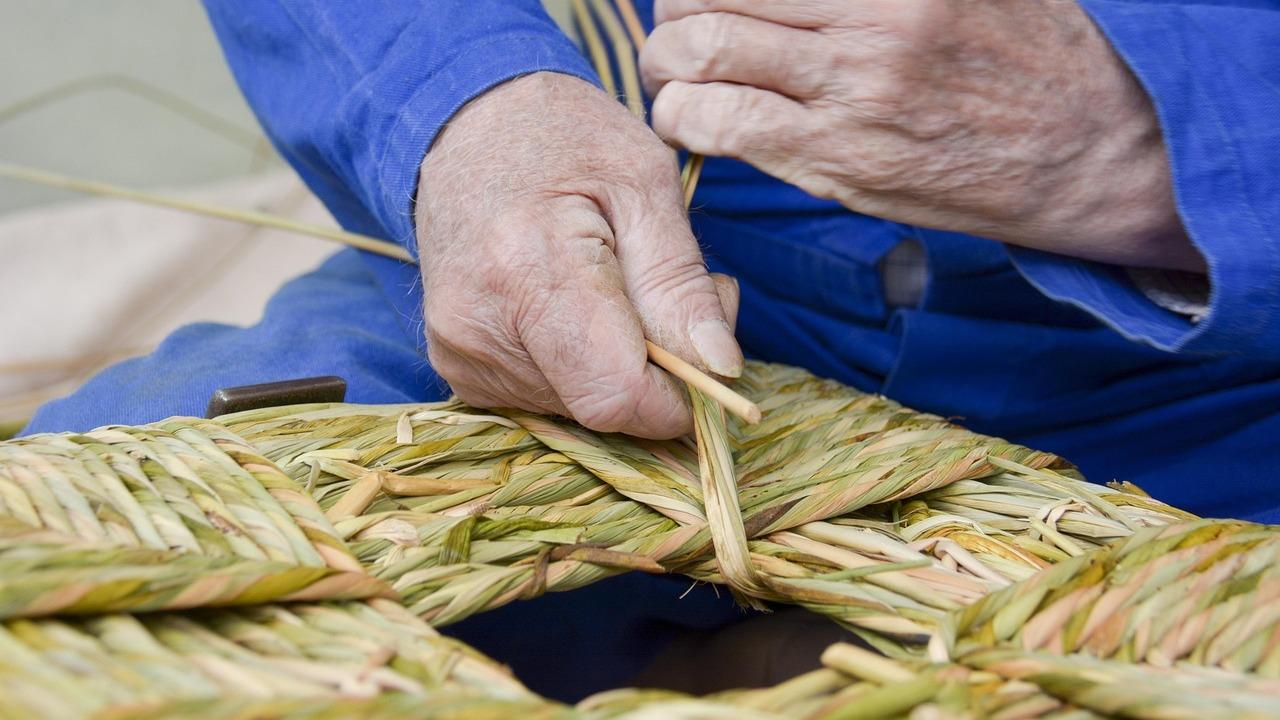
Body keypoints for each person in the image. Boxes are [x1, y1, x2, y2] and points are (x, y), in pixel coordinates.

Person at [24, 0, 1280, 698]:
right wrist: (467, 107)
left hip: (1222, 387)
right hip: (606, 263)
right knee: (76, 570)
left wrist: (1159, 135)